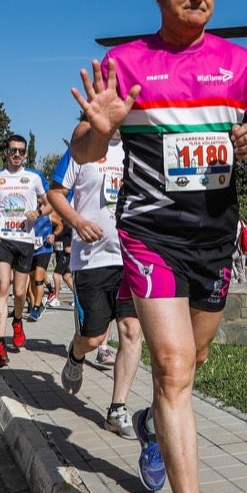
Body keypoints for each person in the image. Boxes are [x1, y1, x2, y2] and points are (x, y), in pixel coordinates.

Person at [69, 0, 247, 493]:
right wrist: (99, 128)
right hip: (151, 235)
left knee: (195, 363)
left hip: (215, 239)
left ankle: (150, 425)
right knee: (175, 368)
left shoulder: (240, 64)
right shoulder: (126, 62)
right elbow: (83, 146)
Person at [49, 133, 144, 438]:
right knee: (94, 338)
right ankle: (75, 356)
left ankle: (117, 409)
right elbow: (56, 193)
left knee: (131, 330)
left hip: (132, 257)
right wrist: (77, 223)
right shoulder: (82, 150)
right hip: (91, 260)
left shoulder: (138, 147)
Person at [0, 134, 47, 368]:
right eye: (13, 150)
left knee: (20, 293)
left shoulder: (33, 178)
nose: (17, 155)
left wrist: (38, 213)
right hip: (3, 239)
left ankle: (17, 321)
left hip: (25, 241)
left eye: (21, 151)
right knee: (3, 286)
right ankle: (0, 345)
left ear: (26, 154)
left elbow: (49, 203)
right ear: (6, 153)